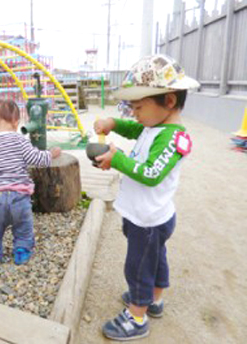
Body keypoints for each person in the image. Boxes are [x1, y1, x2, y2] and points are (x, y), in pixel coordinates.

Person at [93, 54, 198, 341]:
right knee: (155, 258)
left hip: (148, 220)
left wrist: (117, 160)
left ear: (169, 101)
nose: (134, 113)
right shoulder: (156, 126)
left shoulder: (173, 138)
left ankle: (137, 316)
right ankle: (155, 298)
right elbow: (136, 128)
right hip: (146, 215)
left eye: (138, 106)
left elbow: (151, 172)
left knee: (138, 266)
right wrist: (113, 123)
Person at [0, 100, 61, 265]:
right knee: (23, 228)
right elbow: (36, 158)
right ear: (16, 123)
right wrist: (51, 154)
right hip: (19, 197)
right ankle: (22, 252)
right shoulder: (21, 141)